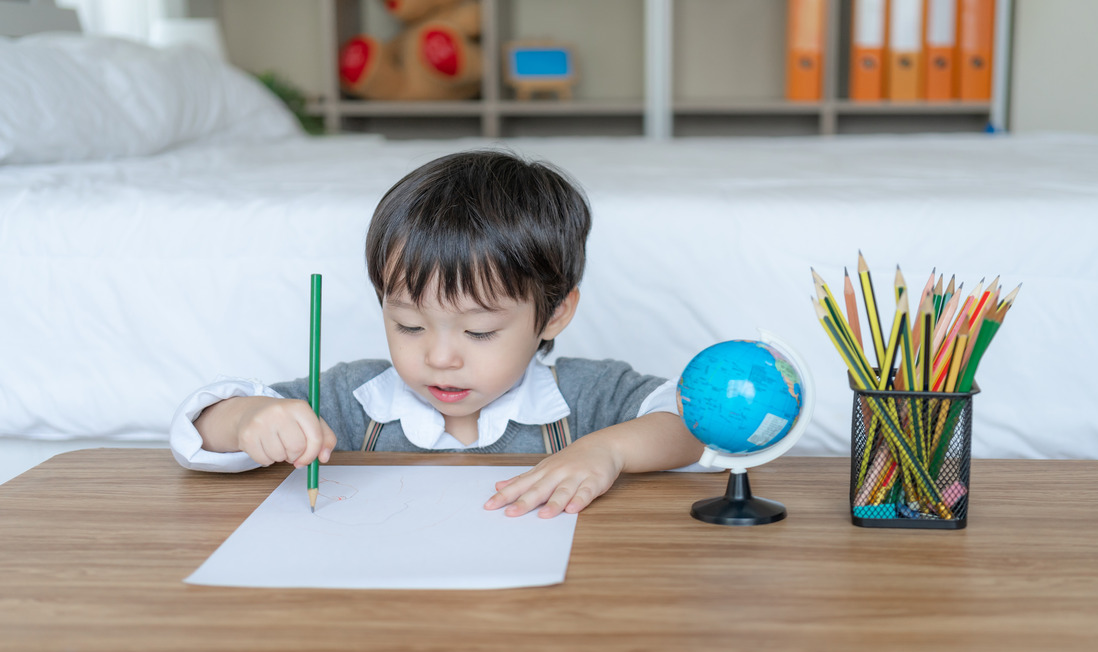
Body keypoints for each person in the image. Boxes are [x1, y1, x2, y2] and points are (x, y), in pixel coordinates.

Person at [170, 149, 704, 518]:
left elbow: (692, 422)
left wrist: (606, 452)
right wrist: (248, 421)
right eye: (408, 324)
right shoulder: (353, 399)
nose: (440, 357)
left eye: (478, 331)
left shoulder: (587, 397)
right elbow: (203, 429)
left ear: (555, 314)